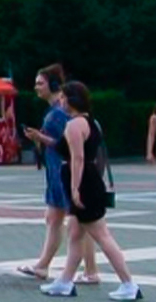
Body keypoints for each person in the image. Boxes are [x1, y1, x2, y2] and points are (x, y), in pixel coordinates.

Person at [41, 82, 141, 301]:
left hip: (84, 183)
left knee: (101, 235)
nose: (60, 101)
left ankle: (128, 284)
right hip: (89, 180)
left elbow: (77, 158)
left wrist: (75, 188)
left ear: (72, 100)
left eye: (63, 97)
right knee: (75, 233)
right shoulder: (90, 122)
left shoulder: (74, 125)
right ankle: (65, 282)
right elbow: (71, 152)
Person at [18, 64, 101, 284]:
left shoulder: (57, 114)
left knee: (80, 223)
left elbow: (66, 145)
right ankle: (45, 266)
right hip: (58, 171)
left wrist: (40, 138)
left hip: (63, 171)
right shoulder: (56, 111)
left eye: (40, 83)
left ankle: (86, 271)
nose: (36, 87)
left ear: (53, 85)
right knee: (55, 218)